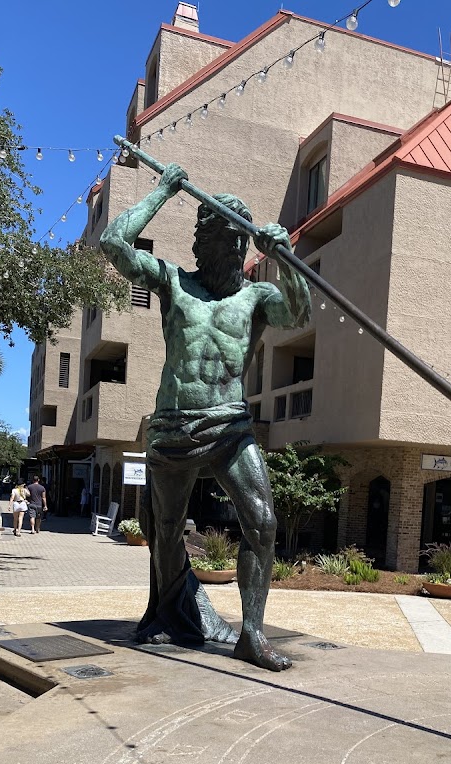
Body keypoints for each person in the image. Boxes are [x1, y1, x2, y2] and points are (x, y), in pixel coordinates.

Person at [101, 162, 311, 671]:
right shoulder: (174, 283)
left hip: (232, 426)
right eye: (226, 240)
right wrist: (163, 190)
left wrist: (285, 255)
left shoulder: (257, 296)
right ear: (206, 242)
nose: (236, 252)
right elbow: (113, 242)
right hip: (173, 427)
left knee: (262, 521)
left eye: (243, 242)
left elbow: (298, 312)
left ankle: (251, 634)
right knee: (167, 529)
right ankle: (168, 611)